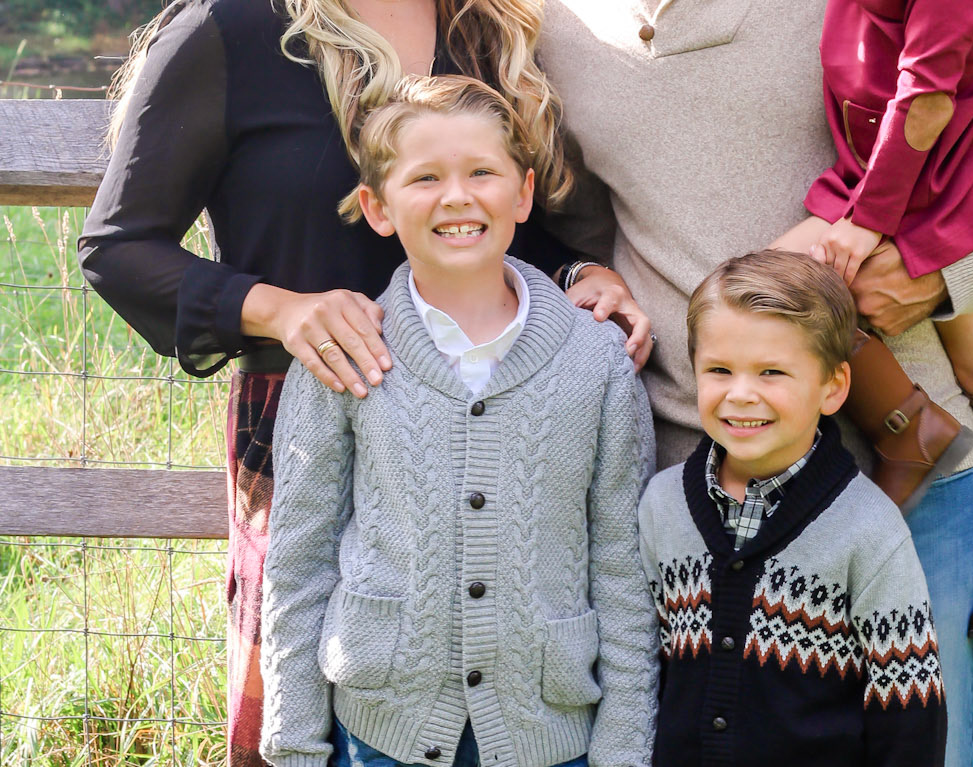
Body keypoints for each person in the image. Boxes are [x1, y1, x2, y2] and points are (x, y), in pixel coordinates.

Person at [77, 1, 652, 763]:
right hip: (310, 402)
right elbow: (118, 249)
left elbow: (485, 212)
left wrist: (577, 272)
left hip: (508, 412)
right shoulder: (230, 28)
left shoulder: (485, 27)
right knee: (299, 707)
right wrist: (284, 310)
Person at [536, 4, 973, 764]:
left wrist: (935, 272)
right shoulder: (552, 26)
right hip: (687, 498)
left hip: (904, 481)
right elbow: (576, 219)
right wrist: (583, 271)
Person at [259, 75, 658, 767]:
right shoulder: (345, 352)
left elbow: (622, 569)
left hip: (549, 732)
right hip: (381, 728)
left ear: (522, 195)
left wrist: (623, 747)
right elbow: (300, 560)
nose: (456, 196)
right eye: (424, 178)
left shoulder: (597, 361)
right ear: (377, 207)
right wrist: (294, 745)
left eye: (481, 172)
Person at [766, 0, 973, 637]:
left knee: (773, 287)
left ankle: (910, 431)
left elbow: (927, 95)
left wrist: (870, 217)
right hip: (904, 168)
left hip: (926, 177)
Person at [639, 249, 946, 766]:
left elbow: (909, 707)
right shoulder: (662, 506)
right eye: (719, 369)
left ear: (833, 387)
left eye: (771, 372)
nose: (741, 394)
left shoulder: (868, 528)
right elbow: (644, 666)